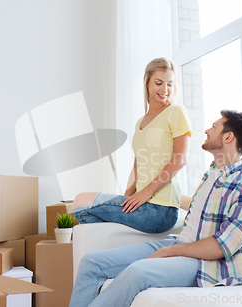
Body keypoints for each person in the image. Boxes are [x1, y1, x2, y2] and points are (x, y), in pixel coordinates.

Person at [69, 110, 242, 307]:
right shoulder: (213, 173)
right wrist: (153, 197)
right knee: (91, 263)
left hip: (208, 265)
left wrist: (171, 251)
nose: (207, 130)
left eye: (214, 126)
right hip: (180, 244)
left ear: (228, 137)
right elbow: (201, 209)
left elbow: (221, 247)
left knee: (138, 272)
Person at [71, 57, 192, 234]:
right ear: (147, 82)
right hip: (144, 204)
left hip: (160, 210)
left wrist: (146, 193)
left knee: (81, 201)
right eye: (159, 83)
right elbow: (138, 166)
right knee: (81, 205)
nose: (165, 90)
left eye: (170, 84)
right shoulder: (140, 123)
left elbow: (180, 159)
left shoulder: (176, 112)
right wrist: (125, 199)